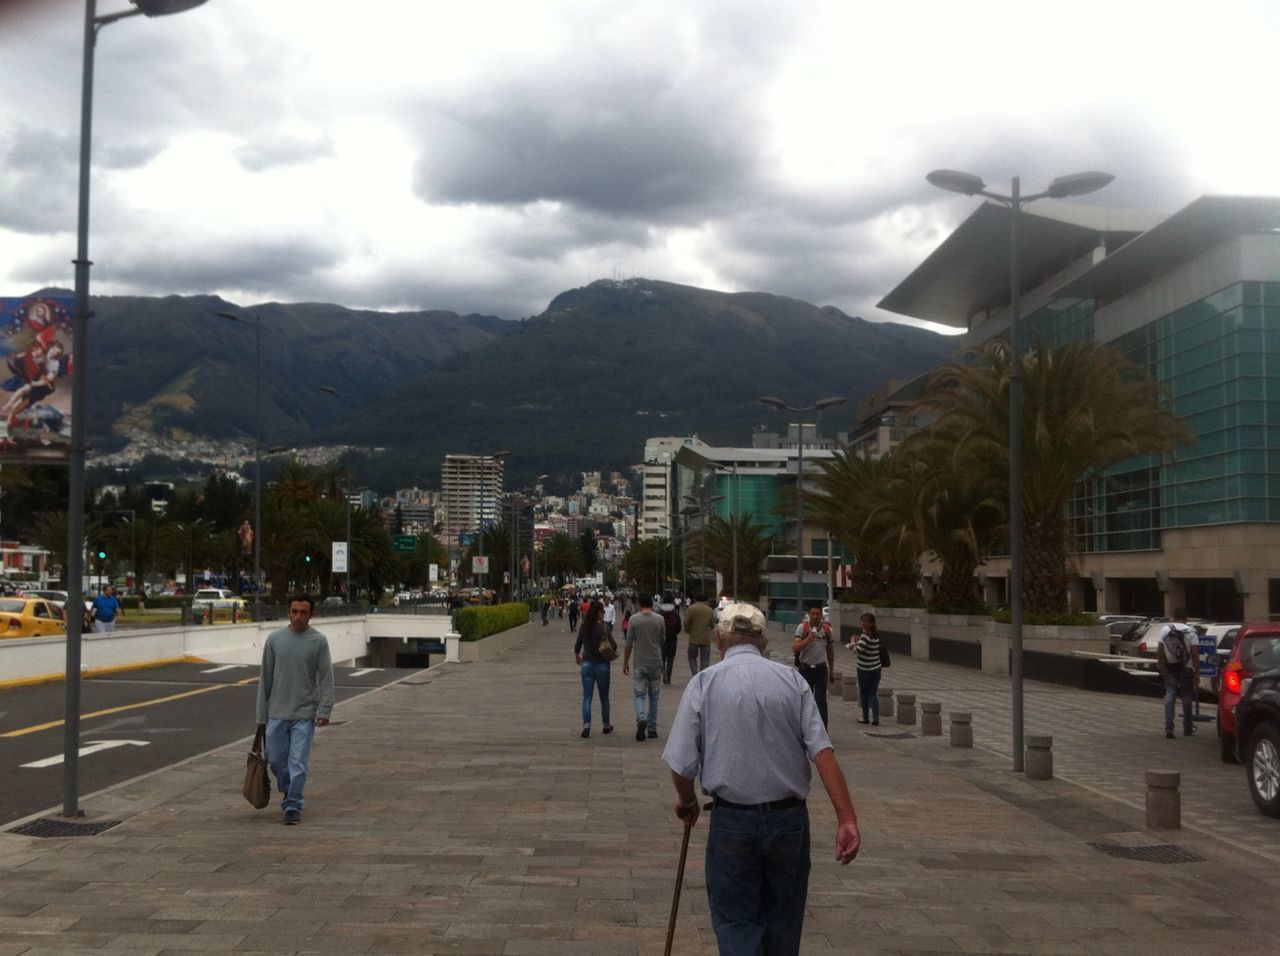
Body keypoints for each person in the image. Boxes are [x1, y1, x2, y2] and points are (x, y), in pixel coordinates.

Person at [663, 601, 861, 953]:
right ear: (762, 640)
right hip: (789, 822)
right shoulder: (791, 681)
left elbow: (681, 765)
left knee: (737, 921)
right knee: (784, 922)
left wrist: (688, 800)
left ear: (720, 638)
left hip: (732, 821)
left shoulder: (704, 684)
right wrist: (846, 819)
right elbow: (822, 753)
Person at [255, 593, 334, 825]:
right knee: (276, 760)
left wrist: (324, 710)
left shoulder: (318, 641)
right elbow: (265, 679)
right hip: (277, 713)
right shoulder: (274, 640)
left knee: (298, 762)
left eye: (304, 612)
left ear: (311, 615)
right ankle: (290, 791)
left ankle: (292, 806)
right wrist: (261, 715)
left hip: (304, 714)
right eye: (295, 611)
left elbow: (326, 677)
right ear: (288, 612)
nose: (299, 617)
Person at [623, 592, 666, 741]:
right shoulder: (660, 619)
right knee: (654, 697)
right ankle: (652, 728)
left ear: (639, 605)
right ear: (652, 604)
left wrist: (625, 662)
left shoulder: (634, 620)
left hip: (639, 662)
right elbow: (662, 639)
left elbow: (628, 643)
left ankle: (641, 718)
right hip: (655, 661)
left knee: (639, 695)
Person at [573, 598, 615, 738]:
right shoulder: (603, 627)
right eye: (602, 611)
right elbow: (613, 645)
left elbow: (578, 644)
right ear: (598, 613)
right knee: (604, 697)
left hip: (587, 664)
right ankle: (606, 724)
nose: (604, 614)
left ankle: (586, 725)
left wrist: (577, 656)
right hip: (602, 664)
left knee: (587, 697)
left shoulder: (584, 626)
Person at [1157, 607, 1200, 739]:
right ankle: (1187, 727)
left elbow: (1160, 648)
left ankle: (1169, 727)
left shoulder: (1165, 629)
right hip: (1186, 668)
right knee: (1186, 697)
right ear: (1186, 618)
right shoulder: (1192, 632)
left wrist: (1160, 663)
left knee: (1170, 694)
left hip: (1170, 667)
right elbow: (1194, 652)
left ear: (1174, 617)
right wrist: (1197, 671)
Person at [793, 605, 835, 728]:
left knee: (821, 701)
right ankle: (805, 728)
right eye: (813, 614)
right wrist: (808, 639)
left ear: (821, 615)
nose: (815, 616)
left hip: (821, 669)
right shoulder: (803, 628)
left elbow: (830, 651)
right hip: (806, 668)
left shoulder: (827, 630)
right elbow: (795, 647)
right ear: (809, 614)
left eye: (818, 614)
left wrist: (832, 671)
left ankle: (823, 730)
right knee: (805, 700)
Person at [854, 612, 883, 725]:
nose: (863, 623)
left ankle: (865, 717)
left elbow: (859, 651)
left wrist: (852, 644)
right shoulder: (875, 635)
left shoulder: (865, 636)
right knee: (873, 694)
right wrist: (859, 640)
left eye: (866, 621)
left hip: (864, 669)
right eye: (862, 621)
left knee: (865, 693)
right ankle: (876, 718)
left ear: (871, 623)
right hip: (876, 668)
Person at [683, 592, 714, 675]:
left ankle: (695, 673)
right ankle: (703, 676)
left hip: (693, 638)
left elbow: (686, 623)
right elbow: (712, 624)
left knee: (692, 657)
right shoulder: (709, 610)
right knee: (705, 659)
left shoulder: (690, 609)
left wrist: (688, 630)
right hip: (706, 639)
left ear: (694, 599)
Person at [658, 592, 681, 684]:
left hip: (662, 639)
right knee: (671, 658)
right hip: (672, 638)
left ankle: (663, 670)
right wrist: (674, 633)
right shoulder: (675, 613)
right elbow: (679, 627)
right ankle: (668, 675)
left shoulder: (659, 612)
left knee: (662, 657)